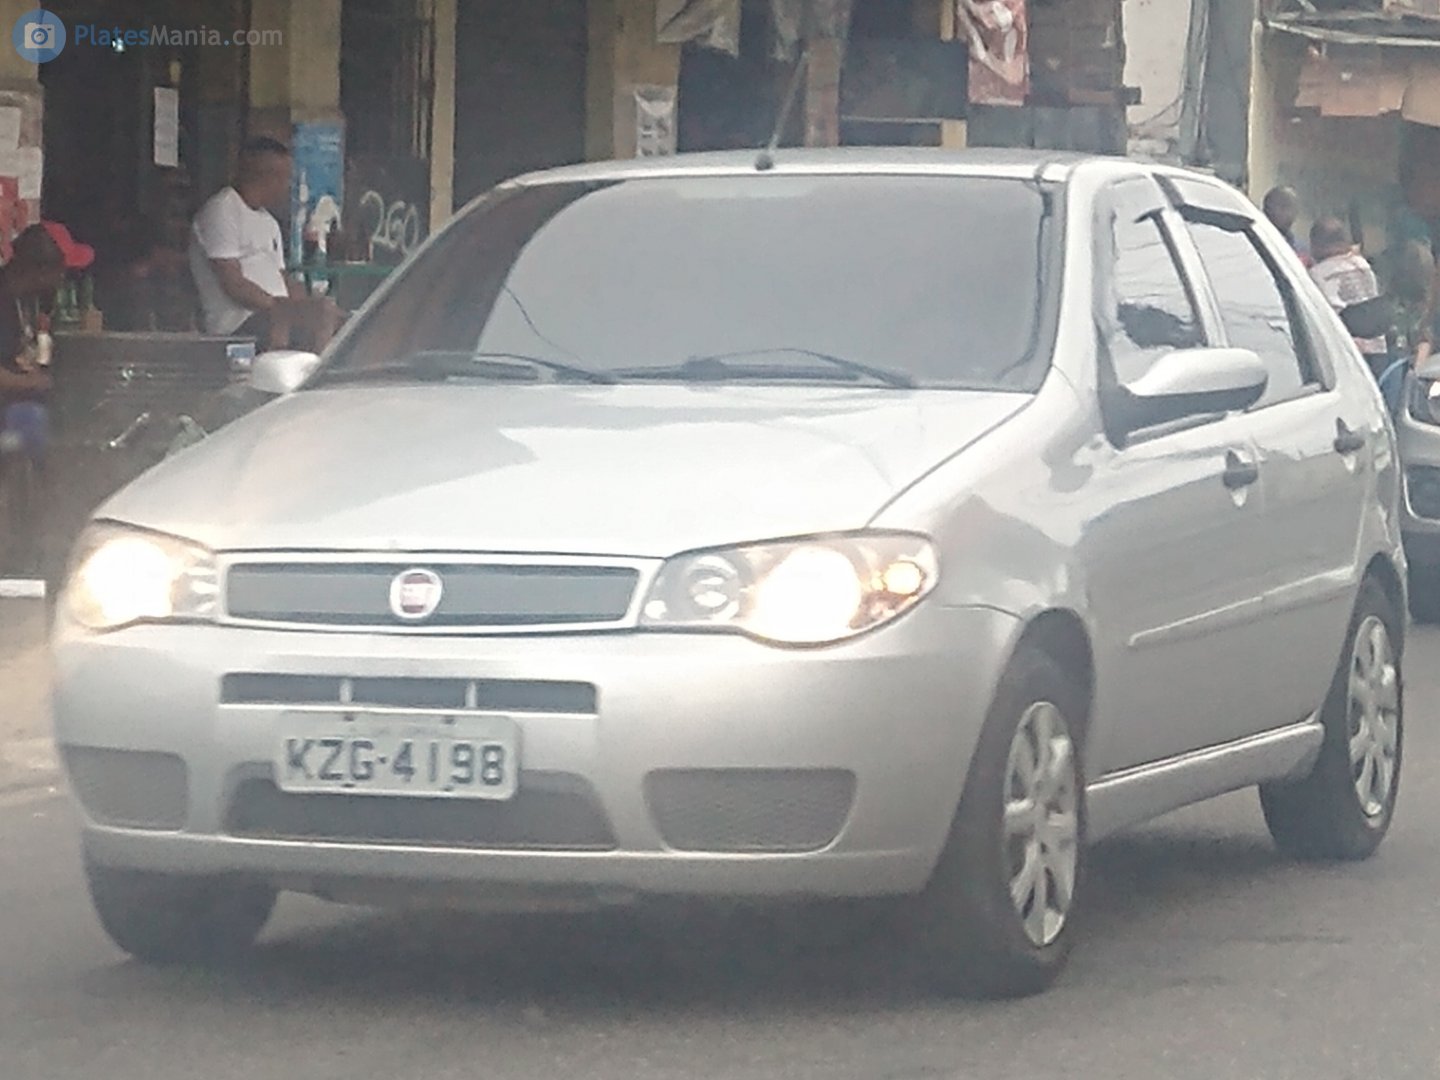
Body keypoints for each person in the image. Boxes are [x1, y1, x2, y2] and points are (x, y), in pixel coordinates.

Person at [189, 136, 339, 352]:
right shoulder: (222, 209)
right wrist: (283, 308)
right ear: (268, 177)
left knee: (340, 321)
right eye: (286, 177)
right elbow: (234, 284)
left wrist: (310, 306)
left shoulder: (269, 222)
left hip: (276, 316)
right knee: (316, 321)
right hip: (239, 325)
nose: (288, 186)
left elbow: (283, 279)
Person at [1308, 216, 1388, 378]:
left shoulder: (1320, 274)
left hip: (1349, 356)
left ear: (1316, 244)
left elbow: (1329, 317)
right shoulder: (1363, 265)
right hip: (1378, 350)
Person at [1263, 186, 1310, 264]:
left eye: (1293, 207)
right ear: (1266, 209)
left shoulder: (1301, 249)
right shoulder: (1255, 240)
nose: (1289, 213)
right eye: (1283, 206)